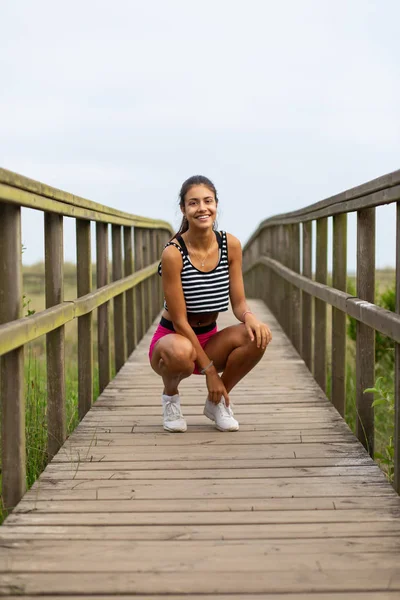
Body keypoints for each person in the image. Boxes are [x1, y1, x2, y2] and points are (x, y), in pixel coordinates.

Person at [149, 175, 272, 432]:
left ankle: (217, 401)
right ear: (183, 209)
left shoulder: (231, 245)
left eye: (208, 201)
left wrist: (250, 317)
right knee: (181, 353)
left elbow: (238, 303)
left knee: (257, 335)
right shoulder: (173, 253)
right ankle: (170, 397)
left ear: (216, 205)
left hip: (209, 338)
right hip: (174, 340)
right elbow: (180, 321)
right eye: (193, 203)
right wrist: (210, 372)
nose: (202, 208)